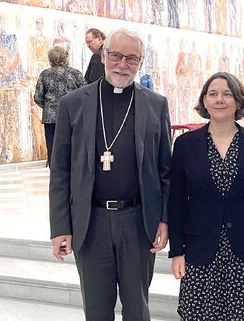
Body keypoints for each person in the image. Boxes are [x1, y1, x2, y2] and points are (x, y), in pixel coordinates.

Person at [49, 27, 172, 320]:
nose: (122, 64)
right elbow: (61, 171)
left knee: (137, 309)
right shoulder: (73, 104)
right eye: (116, 56)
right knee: (96, 309)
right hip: (91, 223)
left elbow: (166, 169)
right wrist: (60, 226)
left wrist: (165, 218)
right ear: (104, 56)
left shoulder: (155, 105)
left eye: (132, 59)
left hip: (138, 221)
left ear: (140, 63)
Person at [168, 72, 244, 320]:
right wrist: (177, 252)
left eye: (227, 94)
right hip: (200, 250)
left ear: (238, 100)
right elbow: (177, 202)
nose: (219, 100)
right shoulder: (186, 145)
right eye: (212, 94)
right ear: (204, 101)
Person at [34, 46, 86, 166]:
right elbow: (85, 93)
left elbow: (38, 97)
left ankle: (55, 174)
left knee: (53, 147)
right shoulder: (75, 73)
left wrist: (48, 107)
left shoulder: (44, 74)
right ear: (65, 57)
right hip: (72, 116)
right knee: (72, 146)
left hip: (50, 118)